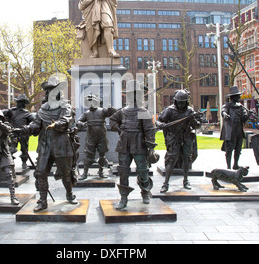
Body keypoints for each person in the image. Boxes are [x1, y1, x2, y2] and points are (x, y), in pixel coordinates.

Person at [15, 78, 77, 212]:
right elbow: (35, 126)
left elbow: (66, 120)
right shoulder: (43, 109)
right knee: (41, 172)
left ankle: (69, 194)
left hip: (61, 145)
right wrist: (23, 130)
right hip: (45, 146)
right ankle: (42, 201)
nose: (49, 93)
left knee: (66, 174)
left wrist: (57, 124)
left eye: (52, 91)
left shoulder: (65, 106)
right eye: (47, 91)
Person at [109, 80, 156, 210]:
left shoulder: (143, 111)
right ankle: (124, 197)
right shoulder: (122, 111)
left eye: (135, 94)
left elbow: (149, 130)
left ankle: (145, 192)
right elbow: (112, 120)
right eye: (130, 94)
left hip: (139, 143)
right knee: (123, 171)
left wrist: (150, 147)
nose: (133, 97)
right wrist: (119, 130)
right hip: (124, 144)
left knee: (142, 170)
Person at [156, 89, 202, 192]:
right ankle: (166, 183)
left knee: (186, 158)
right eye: (179, 102)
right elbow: (158, 121)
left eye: (183, 102)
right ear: (176, 101)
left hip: (185, 137)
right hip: (173, 137)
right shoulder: (169, 110)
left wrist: (197, 121)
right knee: (171, 159)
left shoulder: (190, 111)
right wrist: (161, 124)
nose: (181, 105)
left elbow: (196, 125)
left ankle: (186, 180)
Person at [76, 94, 116, 179]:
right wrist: (82, 123)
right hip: (91, 137)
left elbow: (112, 113)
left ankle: (101, 172)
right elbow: (78, 121)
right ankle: (85, 173)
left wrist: (110, 108)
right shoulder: (86, 113)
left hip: (101, 137)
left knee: (102, 155)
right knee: (88, 155)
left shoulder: (102, 111)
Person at [220, 86, 250, 170]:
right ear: (233, 97)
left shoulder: (241, 107)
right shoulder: (227, 105)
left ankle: (235, 164)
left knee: (238, 148)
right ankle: (228, 166)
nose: (239, 97)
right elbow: (223, 111)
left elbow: (244, 118)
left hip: (239, 130)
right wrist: (225, 114)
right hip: (230, 131)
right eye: (238, 96)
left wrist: (249, 115)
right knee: (229, 150)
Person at [3, 94, 35, 170]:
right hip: (13, 133)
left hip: (23, 133)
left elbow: (33, 121)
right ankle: (9, 163)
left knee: (24, 149)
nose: (21, 104)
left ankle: (24, 162)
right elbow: (4, 117)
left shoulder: (27, 113)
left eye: (22, 102)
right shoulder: (11, 111)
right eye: (19, 102)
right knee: (11, 148)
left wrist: (27, 128)